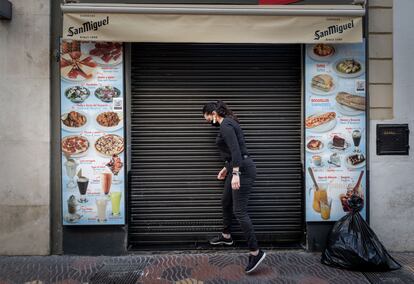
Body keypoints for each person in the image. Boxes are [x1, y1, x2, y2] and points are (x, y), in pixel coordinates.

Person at [202, 100, 266, 274]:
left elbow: (237, 150)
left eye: (207, 118)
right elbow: (232, 153)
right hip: (235, 168)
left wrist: (236, 173)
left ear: (214, 114)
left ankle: (256, 252)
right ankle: (226, 236)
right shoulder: (228, 123)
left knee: (240, 212)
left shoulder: (225, 125)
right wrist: (226, 168)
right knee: (225, 201)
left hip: (243, 171)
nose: (207, 121)